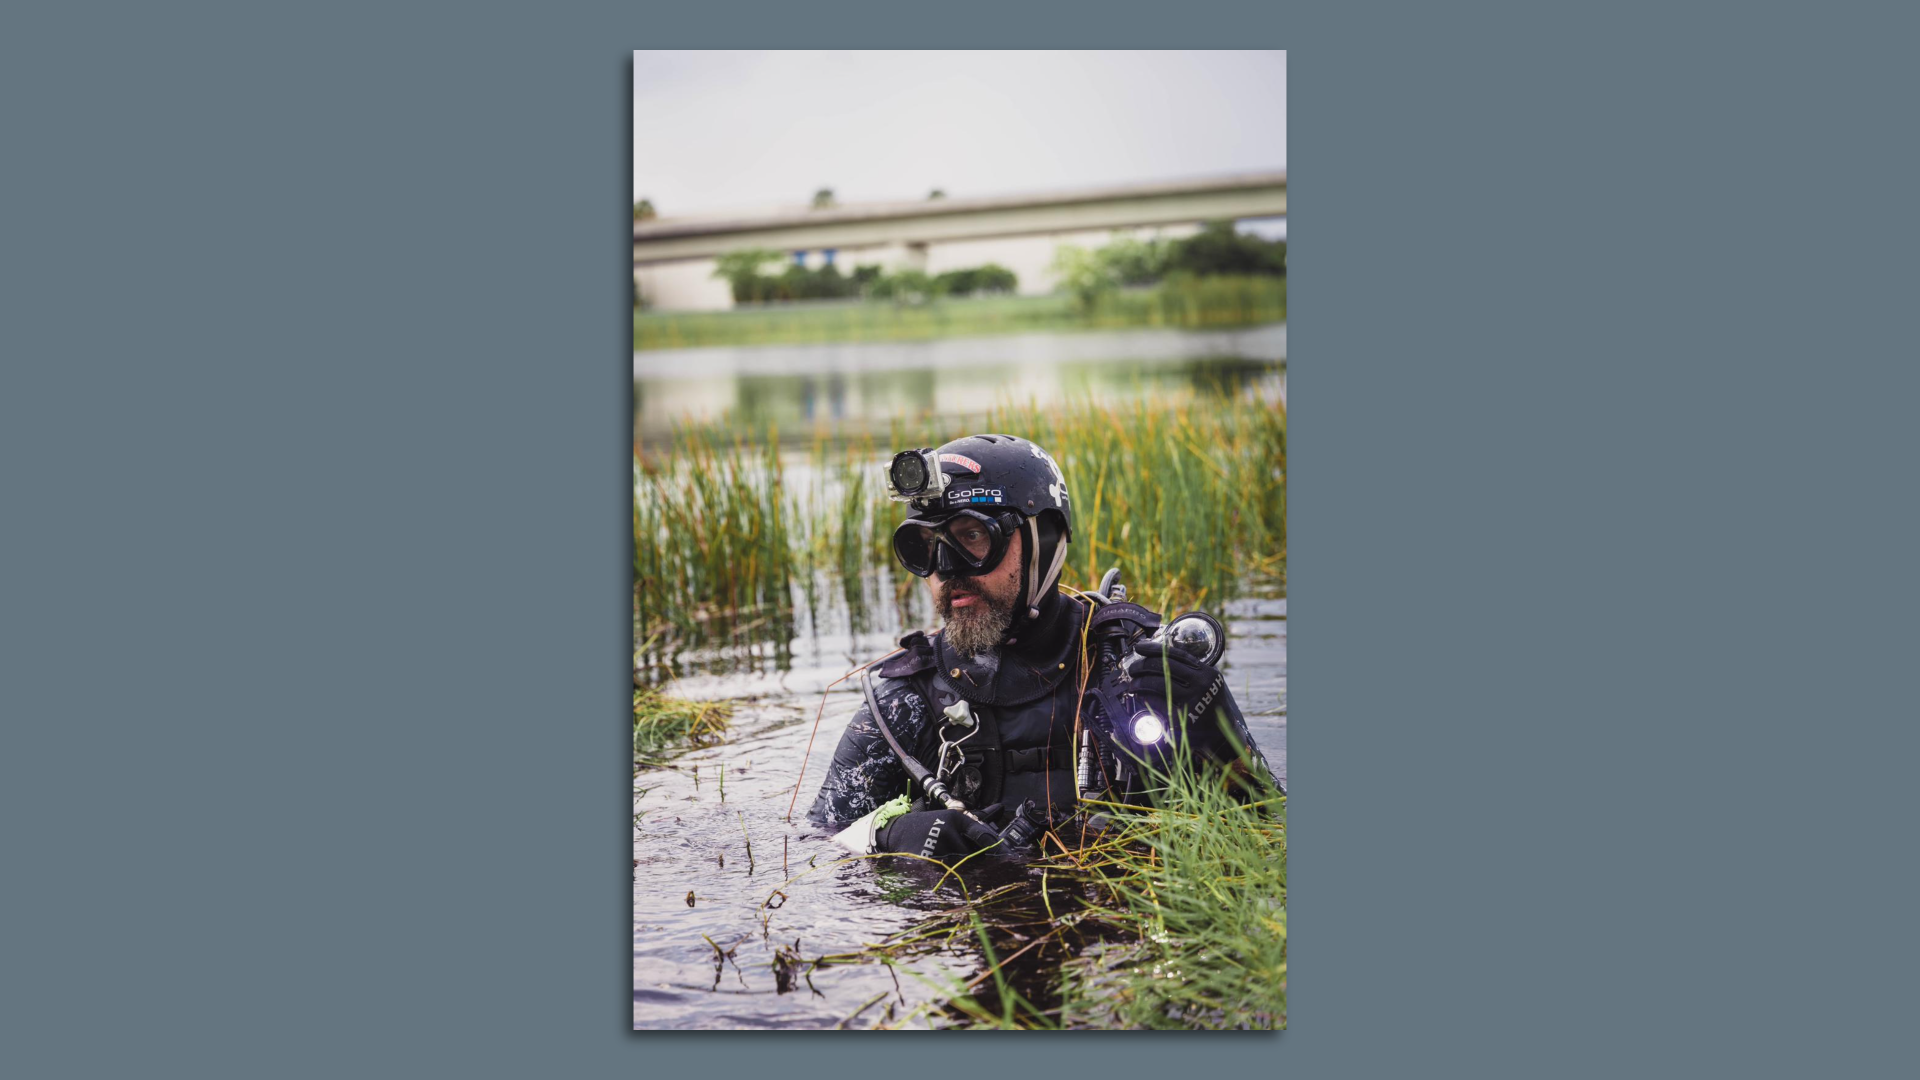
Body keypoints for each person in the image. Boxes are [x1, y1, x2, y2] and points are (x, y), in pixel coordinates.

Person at [806, 433, 1269, 862]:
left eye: (972, 536)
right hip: (971, 939)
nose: (945, 570)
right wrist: (889, 835)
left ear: (1043, 540)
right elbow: (815, 844)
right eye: (925, 545)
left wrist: (1214, 723)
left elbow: (1266, 827)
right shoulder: (905, 701)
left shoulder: (1132, 670)